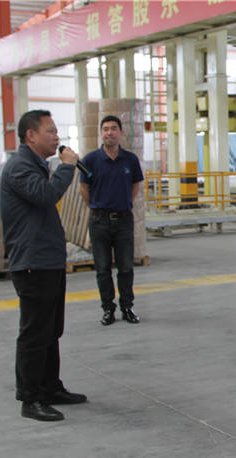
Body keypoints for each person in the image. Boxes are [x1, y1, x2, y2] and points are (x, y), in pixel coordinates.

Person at [0, 110, 88, 422]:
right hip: (32, 263)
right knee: (35, 332)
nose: (56, 136)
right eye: (50, 130)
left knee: (51, 330)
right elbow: (46, 195)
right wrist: (67, 167)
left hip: (47, 260)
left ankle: (50, 387)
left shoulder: (35, 165)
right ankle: (30, 398)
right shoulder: (19, 167)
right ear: (30, 135)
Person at [79, 115, 144, 326]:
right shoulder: (90, 160)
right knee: (103, 268)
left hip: (124, 220)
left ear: (121, 132)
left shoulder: (130, 160)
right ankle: (108, 309)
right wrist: (96, 207)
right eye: (105, 129)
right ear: (101, 133)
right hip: (99, 221)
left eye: (114, 128)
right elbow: (83, 188)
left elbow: (135, 184)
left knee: (125, 267)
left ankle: (127, 307)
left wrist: (124, 203)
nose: (110, 132)